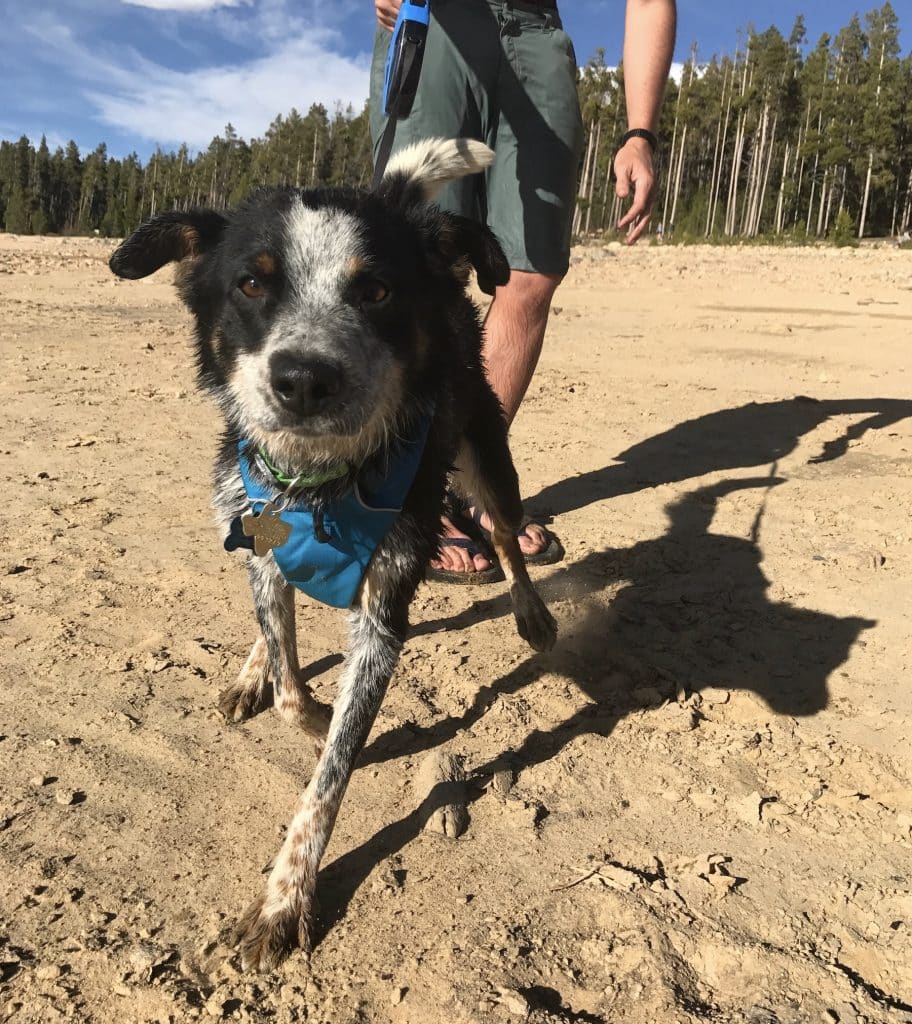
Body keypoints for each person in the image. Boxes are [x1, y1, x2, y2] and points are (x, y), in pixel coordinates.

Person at [370, 0, 677, 580]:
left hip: (536, 33)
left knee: (530, 273)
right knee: (417, 260)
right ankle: (408, 495)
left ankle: (463, 483)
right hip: (439, 22)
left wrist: (640, 133)